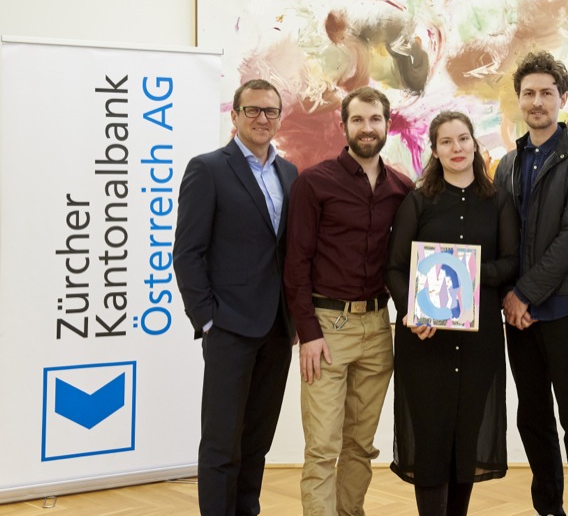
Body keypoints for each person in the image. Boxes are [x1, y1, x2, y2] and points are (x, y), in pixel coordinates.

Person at [283, 86, 414, 516]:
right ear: (344, 126)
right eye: (357, 120)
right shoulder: (314, 183)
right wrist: (308, 334)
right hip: (327, 327)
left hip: (377, 328)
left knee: (360, 445)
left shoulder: (402, 188)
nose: (367, 128)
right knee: (323, 447)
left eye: (374, 119)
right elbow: (296, 264)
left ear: (387, 125)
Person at [384, 111, 519, 516]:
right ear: (435, 150)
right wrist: (412, 311)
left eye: (463, 139)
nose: (456, 148)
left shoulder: (498, 200)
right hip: (425, 341)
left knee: (465, 441)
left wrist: (469, 272)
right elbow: (394, 268)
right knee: (431, 442)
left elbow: (511, 263)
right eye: (446, 141)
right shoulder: (418, 201)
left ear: (475, 144)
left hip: (479, 342)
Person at [174, 79, 298, 516]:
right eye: (253, 110)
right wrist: (207, 319)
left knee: (256, 441)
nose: (262, 118)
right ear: (236, 115)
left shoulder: (289, 173)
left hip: (277, 329)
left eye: (270, 111)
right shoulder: (208, 169)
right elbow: (187, 252)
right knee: (221, 442)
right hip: (229, 327)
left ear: (279, 117)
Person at [493, 51, 568, 516]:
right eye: (528, 93)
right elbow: (502, 242)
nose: (537, 102)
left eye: (546, 93)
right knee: (533, 419)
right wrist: (510, 299)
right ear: (519, 100)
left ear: (562, 98)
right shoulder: (505, 165)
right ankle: (548, 509)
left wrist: (524, 294)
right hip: (519, 319)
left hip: (566, 309)